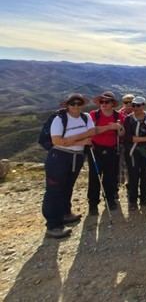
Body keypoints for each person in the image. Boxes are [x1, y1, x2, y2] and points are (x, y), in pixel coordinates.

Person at [42, 93, 95, 238]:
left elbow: (92, 132)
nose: (76, 106)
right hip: (59, 157)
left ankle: (65, 213)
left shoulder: (86, 117)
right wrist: (81, 140)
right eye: (73, 104)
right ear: (67, 105)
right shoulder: (59, 119)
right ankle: (53, 226)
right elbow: (57, 141)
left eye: (79, 103)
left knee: (67, 186)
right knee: (54, 191)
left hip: (76, 157)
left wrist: (71, 140)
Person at [87, 91, 122, 216]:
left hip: (112, 150)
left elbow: (122, 133)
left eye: (107, 102)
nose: (104, 104)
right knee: (94, 177)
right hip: (95, 149)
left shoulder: (119, 116)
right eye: (101, 102)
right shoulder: (93, 115)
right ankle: (93, 204)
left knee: (110, 177)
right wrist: (110, 127)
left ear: (112, 103)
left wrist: (119, 128)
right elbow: (91, 131)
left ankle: (110, 199)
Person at [123, 96, 146, 211]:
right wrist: (144, 139)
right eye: (133, 105)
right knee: (133, 176)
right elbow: (127, 137)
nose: (136, 108)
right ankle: (132, 201)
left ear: (144, 105)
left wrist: (140, 138)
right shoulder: (128, 119)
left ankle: (144, 199)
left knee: (145, 175)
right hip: (133, 151)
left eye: (138, 105)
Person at [116, 93, 135, 198]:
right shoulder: (118, 114)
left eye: (131, 102)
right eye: (126, 102)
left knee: (131, 166)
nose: (128, 104)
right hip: (121, 143)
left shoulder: (137, 113)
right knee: (118, 166)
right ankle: (116, 188)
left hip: (133, 144)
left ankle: (130, 186)